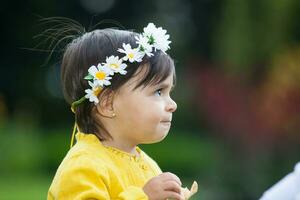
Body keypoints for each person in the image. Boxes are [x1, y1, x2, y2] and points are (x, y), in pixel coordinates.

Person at [47, 21, 193, 200]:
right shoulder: (84, 166)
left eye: (169, 92)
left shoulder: (148, 165)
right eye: (158, 92)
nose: (172, 104)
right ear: (108, 103)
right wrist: (144, 197)